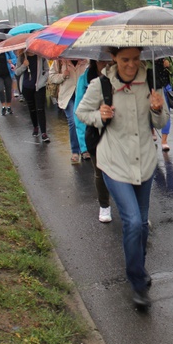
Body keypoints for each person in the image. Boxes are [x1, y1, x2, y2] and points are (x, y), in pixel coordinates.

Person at [76, 47, 169, 309]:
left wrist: (158, 109)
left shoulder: (150, 81)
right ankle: (137, 283)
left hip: (145, 162)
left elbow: (161, 123)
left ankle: (139, 264)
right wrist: (99, 116)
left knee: (141, 225)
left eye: (135, 59)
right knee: (132, 220)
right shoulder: (101, 84)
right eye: (125, 59)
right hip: (114, 162)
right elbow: (81, 112)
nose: (131, 65)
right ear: (114, 58)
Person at [74, 60, 112, 223]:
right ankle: (104, 205)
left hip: (118, 135)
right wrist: (83, 145)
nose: (106, 63)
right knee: (100, 172)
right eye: (102, 60)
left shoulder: (121, 78)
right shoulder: (86, 79)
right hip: (95, 134)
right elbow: (80, 112)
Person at [49, 58, 88, 164]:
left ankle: (84, 148)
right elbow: (52, 77)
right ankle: (75, 151)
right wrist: (62, 76)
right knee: (73, 121)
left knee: (83, 121)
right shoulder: (59, 61)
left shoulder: (86, 60)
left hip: (83, 95)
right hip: (68, 96)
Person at [15, 50, 50, 143]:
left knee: (40, 109)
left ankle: (44, 133)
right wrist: (24, 66)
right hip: (27, 87)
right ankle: (35, 126)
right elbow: (17, 72)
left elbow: (47, 70)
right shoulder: (22, 57)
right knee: (32, 109)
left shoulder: (41, 56)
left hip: (39, 87)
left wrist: (42, 81)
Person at [153, 56, 173, 152]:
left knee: (166, 114)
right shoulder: (146, 58)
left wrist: (169, 65)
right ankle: (152, 132)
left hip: (166, 89)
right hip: (153, 89)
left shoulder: (166, 57)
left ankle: (164, 141)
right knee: (150, 113)